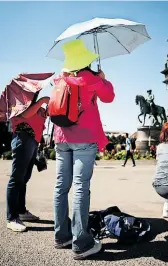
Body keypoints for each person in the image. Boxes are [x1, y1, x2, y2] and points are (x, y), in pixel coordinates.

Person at [52, 39, 115, 260]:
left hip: (60, 136)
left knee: (61, 186)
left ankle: (61, 236)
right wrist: (103, 80)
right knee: (80, 186)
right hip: (84, 137)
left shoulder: (60, 78)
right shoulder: (89, 77)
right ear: (85, 59)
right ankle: (81, 242)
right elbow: (109, 97)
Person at [0, 72, 54, 233]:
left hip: (32, 141)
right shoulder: (18, 101)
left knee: (24, 178)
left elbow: (38, 118)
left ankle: (21, 210)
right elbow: (25, 114)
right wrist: (41, 102)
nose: (38, 91)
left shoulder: (34, 103)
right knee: (17, 178)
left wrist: (43, 110)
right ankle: (12, 218)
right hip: (22, 139)